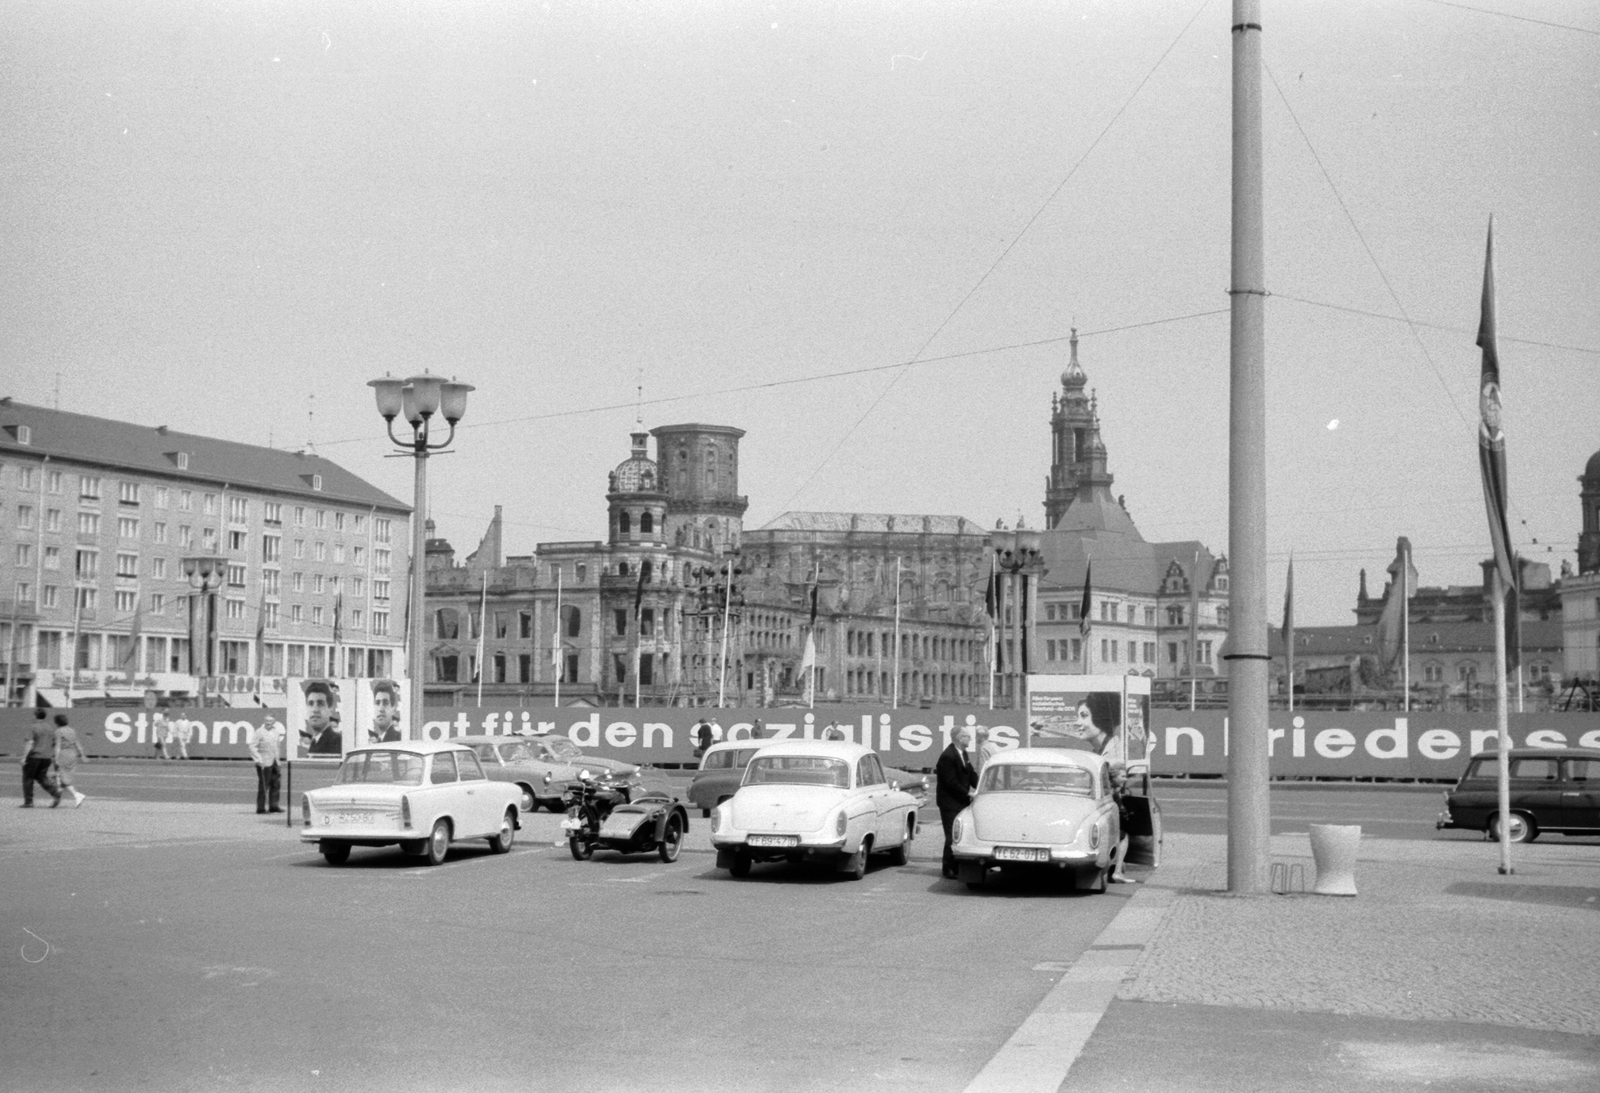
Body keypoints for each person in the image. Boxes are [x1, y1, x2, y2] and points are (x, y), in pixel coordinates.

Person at [935, 728, 979, 879]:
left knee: (960, 834)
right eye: (968, 736)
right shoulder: (947, 756)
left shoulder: (963, 754)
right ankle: (948, 868)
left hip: (960, 802)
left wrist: (982, 787)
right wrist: (969, 793)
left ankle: (957, 866)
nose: (970, 739)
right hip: (949, 803)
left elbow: (971, 774)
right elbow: (950, 782)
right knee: (951, 835)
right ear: (960, 738)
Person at [20, 709, 63, 808]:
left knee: (28, 778)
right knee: (41, 777)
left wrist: (24, 757)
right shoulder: (50, 728)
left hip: (34, 756)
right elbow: (55, 743)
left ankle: (28, 802)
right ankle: (55, 792)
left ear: (35, 716)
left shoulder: (33, 727)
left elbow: (30, 743)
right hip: (47, 757)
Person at [52, 712, 88, 808]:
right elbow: (77, 744)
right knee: (64, 777)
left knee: (60, 777)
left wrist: (56, 758)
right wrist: (82, 755)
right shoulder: (72, 730)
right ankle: (57, 796)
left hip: (64, 754)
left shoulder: (59, 731)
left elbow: (58, 746)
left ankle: (76, 795)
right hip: (73, 754)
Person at [250, 715, 283, 814]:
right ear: (264, 721)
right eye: (267, 721)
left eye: (270, 721)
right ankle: (260, 808)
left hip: (274, 761)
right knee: (264, 785)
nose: (268, 722)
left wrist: (278, 760)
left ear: (274, 722)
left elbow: (277, 747)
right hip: (264, 762)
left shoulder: (276, 732)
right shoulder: (259, 732)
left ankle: (274, 806)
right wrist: (258, 759)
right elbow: (252, 746)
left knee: (276, 784)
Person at [301, 680, 342, 756]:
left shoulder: (337, 742)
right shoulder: (315, 740)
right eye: (310, 704)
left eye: (320, 704)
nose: (315, 710)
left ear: (330, 709)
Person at [369, 679, 402, 743]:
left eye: (385, 703)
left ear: (393, 708)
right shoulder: (375, 740)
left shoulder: (398, 739)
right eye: (377, 703)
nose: (380, 709)